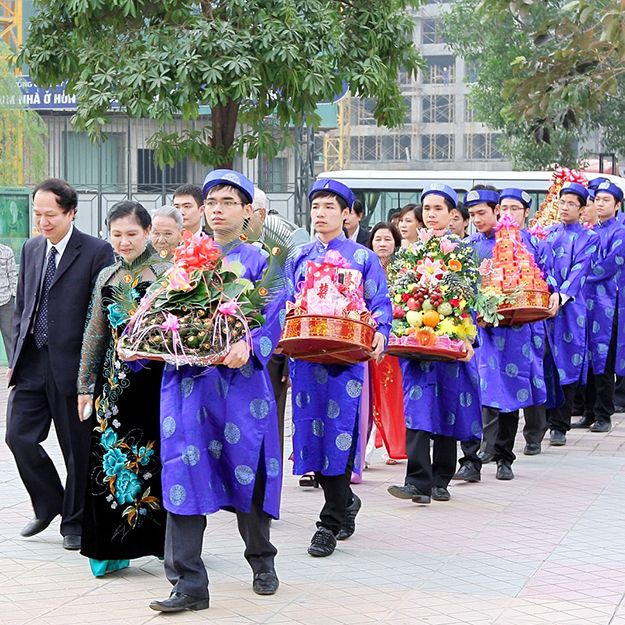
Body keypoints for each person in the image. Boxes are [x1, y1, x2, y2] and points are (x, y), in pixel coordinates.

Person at [149, 169, 283, 613]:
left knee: (247, 469)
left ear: (248, 211)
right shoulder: (183, 263)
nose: (218, 210)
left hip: (241, 388)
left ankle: (262, 561)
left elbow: (275, 316)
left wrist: (251, 344)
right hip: (188, 388)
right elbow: (157, 317)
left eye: (229, 202)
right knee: (183, 474)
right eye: (211, 202)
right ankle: (188, 583)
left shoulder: (263, 262)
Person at [5, 178, 114, 550]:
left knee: (77, 447)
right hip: (33, 359)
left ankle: (75, 521)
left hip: (73, 365)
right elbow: (22, 305)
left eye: (50, 214)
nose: (42, 222)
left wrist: (93, 371)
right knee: (18, 436)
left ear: (71, 212)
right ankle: (49, 501)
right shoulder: (32, 248)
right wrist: (16, 352)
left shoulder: (98, 252)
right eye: (37, 214)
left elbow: (101, 315)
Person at [287, 178, 391, 557]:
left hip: (345, 359)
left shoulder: (363, 258)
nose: (321, 213)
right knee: (312, 433)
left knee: (340, 430)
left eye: (330, 207)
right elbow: (288, 303)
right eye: (316, 206)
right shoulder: (298, 256)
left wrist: (381, 332)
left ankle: (328, 523)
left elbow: (380, 303)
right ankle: (344, 502)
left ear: (347, 214)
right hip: (307, 358)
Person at [77, 202, 169, 577]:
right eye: (116, 235)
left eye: (131, 234)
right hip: (114, 388)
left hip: (158, 384)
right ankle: (110, 550)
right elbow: (94, 334)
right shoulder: (107, 277)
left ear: (147, 232)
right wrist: (85, 385)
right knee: (107, 465)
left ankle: (163, 546)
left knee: (157, 464)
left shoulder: (168, 275)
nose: (124, 241)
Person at [388, 184, 481, 503]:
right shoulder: (410, 252)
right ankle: (416, 481)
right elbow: (397, 294)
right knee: (416, 407)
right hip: (415, 343)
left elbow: (472, 297)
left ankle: (441, 479)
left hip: (450, 342)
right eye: (426, 209)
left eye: (438, 209)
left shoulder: (463, 251)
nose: (431, 215)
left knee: (446, 409)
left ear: (452, 213)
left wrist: (468, 337)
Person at [461, 187, 559, 482]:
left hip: (513, 329)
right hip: (478, 331)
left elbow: (545, 273)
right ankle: (472, 458)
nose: (477, 219)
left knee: (509, 392)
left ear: (497, 213)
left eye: (482, 213)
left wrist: (553, 292)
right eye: (472, 214)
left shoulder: (524, 242)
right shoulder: (468, 247)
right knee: (476, 392)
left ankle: (505, 457)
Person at [542, 183, 597, 446]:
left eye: (571, 204)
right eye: (562, 202)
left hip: (571, 307)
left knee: (568, 361)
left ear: (582, 209)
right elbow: (541, 266)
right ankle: (542, 420)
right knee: (545, 362)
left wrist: (560, 295)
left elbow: (580, 270)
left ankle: (560, 425)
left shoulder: (590, 238)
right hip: (544, 306)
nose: (564, 207)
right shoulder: (548, 234)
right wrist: (549, 289)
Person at [572, 181, 625, 432]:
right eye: (598, 199)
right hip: (587, 303)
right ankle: (590, 412)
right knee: (589, 358)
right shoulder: (591, 232)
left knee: (604, 359)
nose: (600, 204)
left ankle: (604, 413)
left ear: (617, 205)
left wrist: (580, 274)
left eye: (606, 200)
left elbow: (610, 264)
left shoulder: (620, 232)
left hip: (608, 303)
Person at [365, 222, 406, 465]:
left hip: (394, 342)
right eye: (378, 239)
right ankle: (368, 448)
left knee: (392, 394)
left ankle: (393, 446)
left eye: (387, 239)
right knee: (370, 395)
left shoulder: (403, 271)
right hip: (369, 339)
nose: (382, 243)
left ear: (396, 243)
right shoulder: (364, 267)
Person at [0, 242, 17, 359]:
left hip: (6, 301)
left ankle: (14, 372)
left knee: (11, 340)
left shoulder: (7, 251)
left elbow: (12, 275)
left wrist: (13, 295)